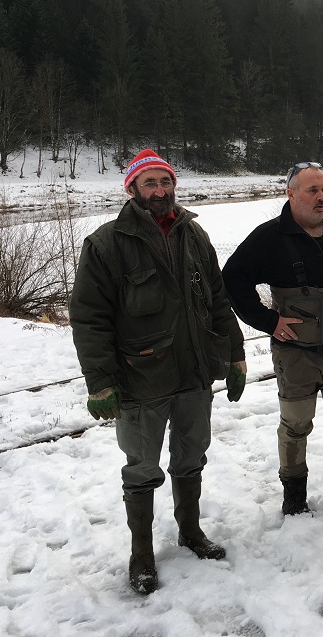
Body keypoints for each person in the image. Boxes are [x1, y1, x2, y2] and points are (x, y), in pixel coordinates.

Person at [69, 148, 247, 596]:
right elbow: (89, 318)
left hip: (194, 374)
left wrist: (235, 355)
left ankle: (190, 532)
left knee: (192, 456)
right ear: (132, 189)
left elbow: (218, 300)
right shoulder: (106, 244)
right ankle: (142, 553)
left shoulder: (195, 235)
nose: (159, 190)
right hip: (140, 379)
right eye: (149, 182)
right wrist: (100, 382)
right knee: (141, 468)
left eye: (165, 181)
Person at [222, 161, 323, 517]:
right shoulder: (269, 238)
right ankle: (294, 496)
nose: (321, 197)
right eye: (312, 191)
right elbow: (233, 278)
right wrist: (267, 321)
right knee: (296, 424)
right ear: (291, 194)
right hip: (294, 352)